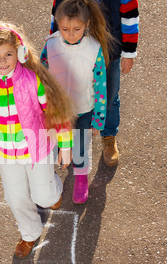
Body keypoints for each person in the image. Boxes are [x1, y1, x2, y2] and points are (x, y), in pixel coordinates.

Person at [0, 22, 74, 259]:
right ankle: (29, 233)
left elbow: (55, 112)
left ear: (20, 54)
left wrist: (66, 144)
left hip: (37, 149)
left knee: (43, 196)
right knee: (16, 196)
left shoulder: (32, 80)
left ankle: (53, 191)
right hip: (6, 152)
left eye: (8, 54)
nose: (2, 61)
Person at [50, 0, 139, 167]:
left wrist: (129, 52)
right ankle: (72, 139)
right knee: (73, 95)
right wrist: (55, 43)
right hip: (72, 49)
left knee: (109, 97)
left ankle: (109, 135)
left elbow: (130, 14)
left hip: (108, 49)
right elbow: (58, 11)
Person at [41, 0, 113, 204]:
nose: (70, 34)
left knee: (81, 147)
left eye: (76, 29)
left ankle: (81, 177)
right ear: (57, 24)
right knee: (54, 147)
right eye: (64, 29)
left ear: (87, 24)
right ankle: (49, 181)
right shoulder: (51, 44)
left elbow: (100, 86)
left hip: (83, 110)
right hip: (57, 111)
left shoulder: (94, 48)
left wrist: (99, 119)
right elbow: (41, 74)